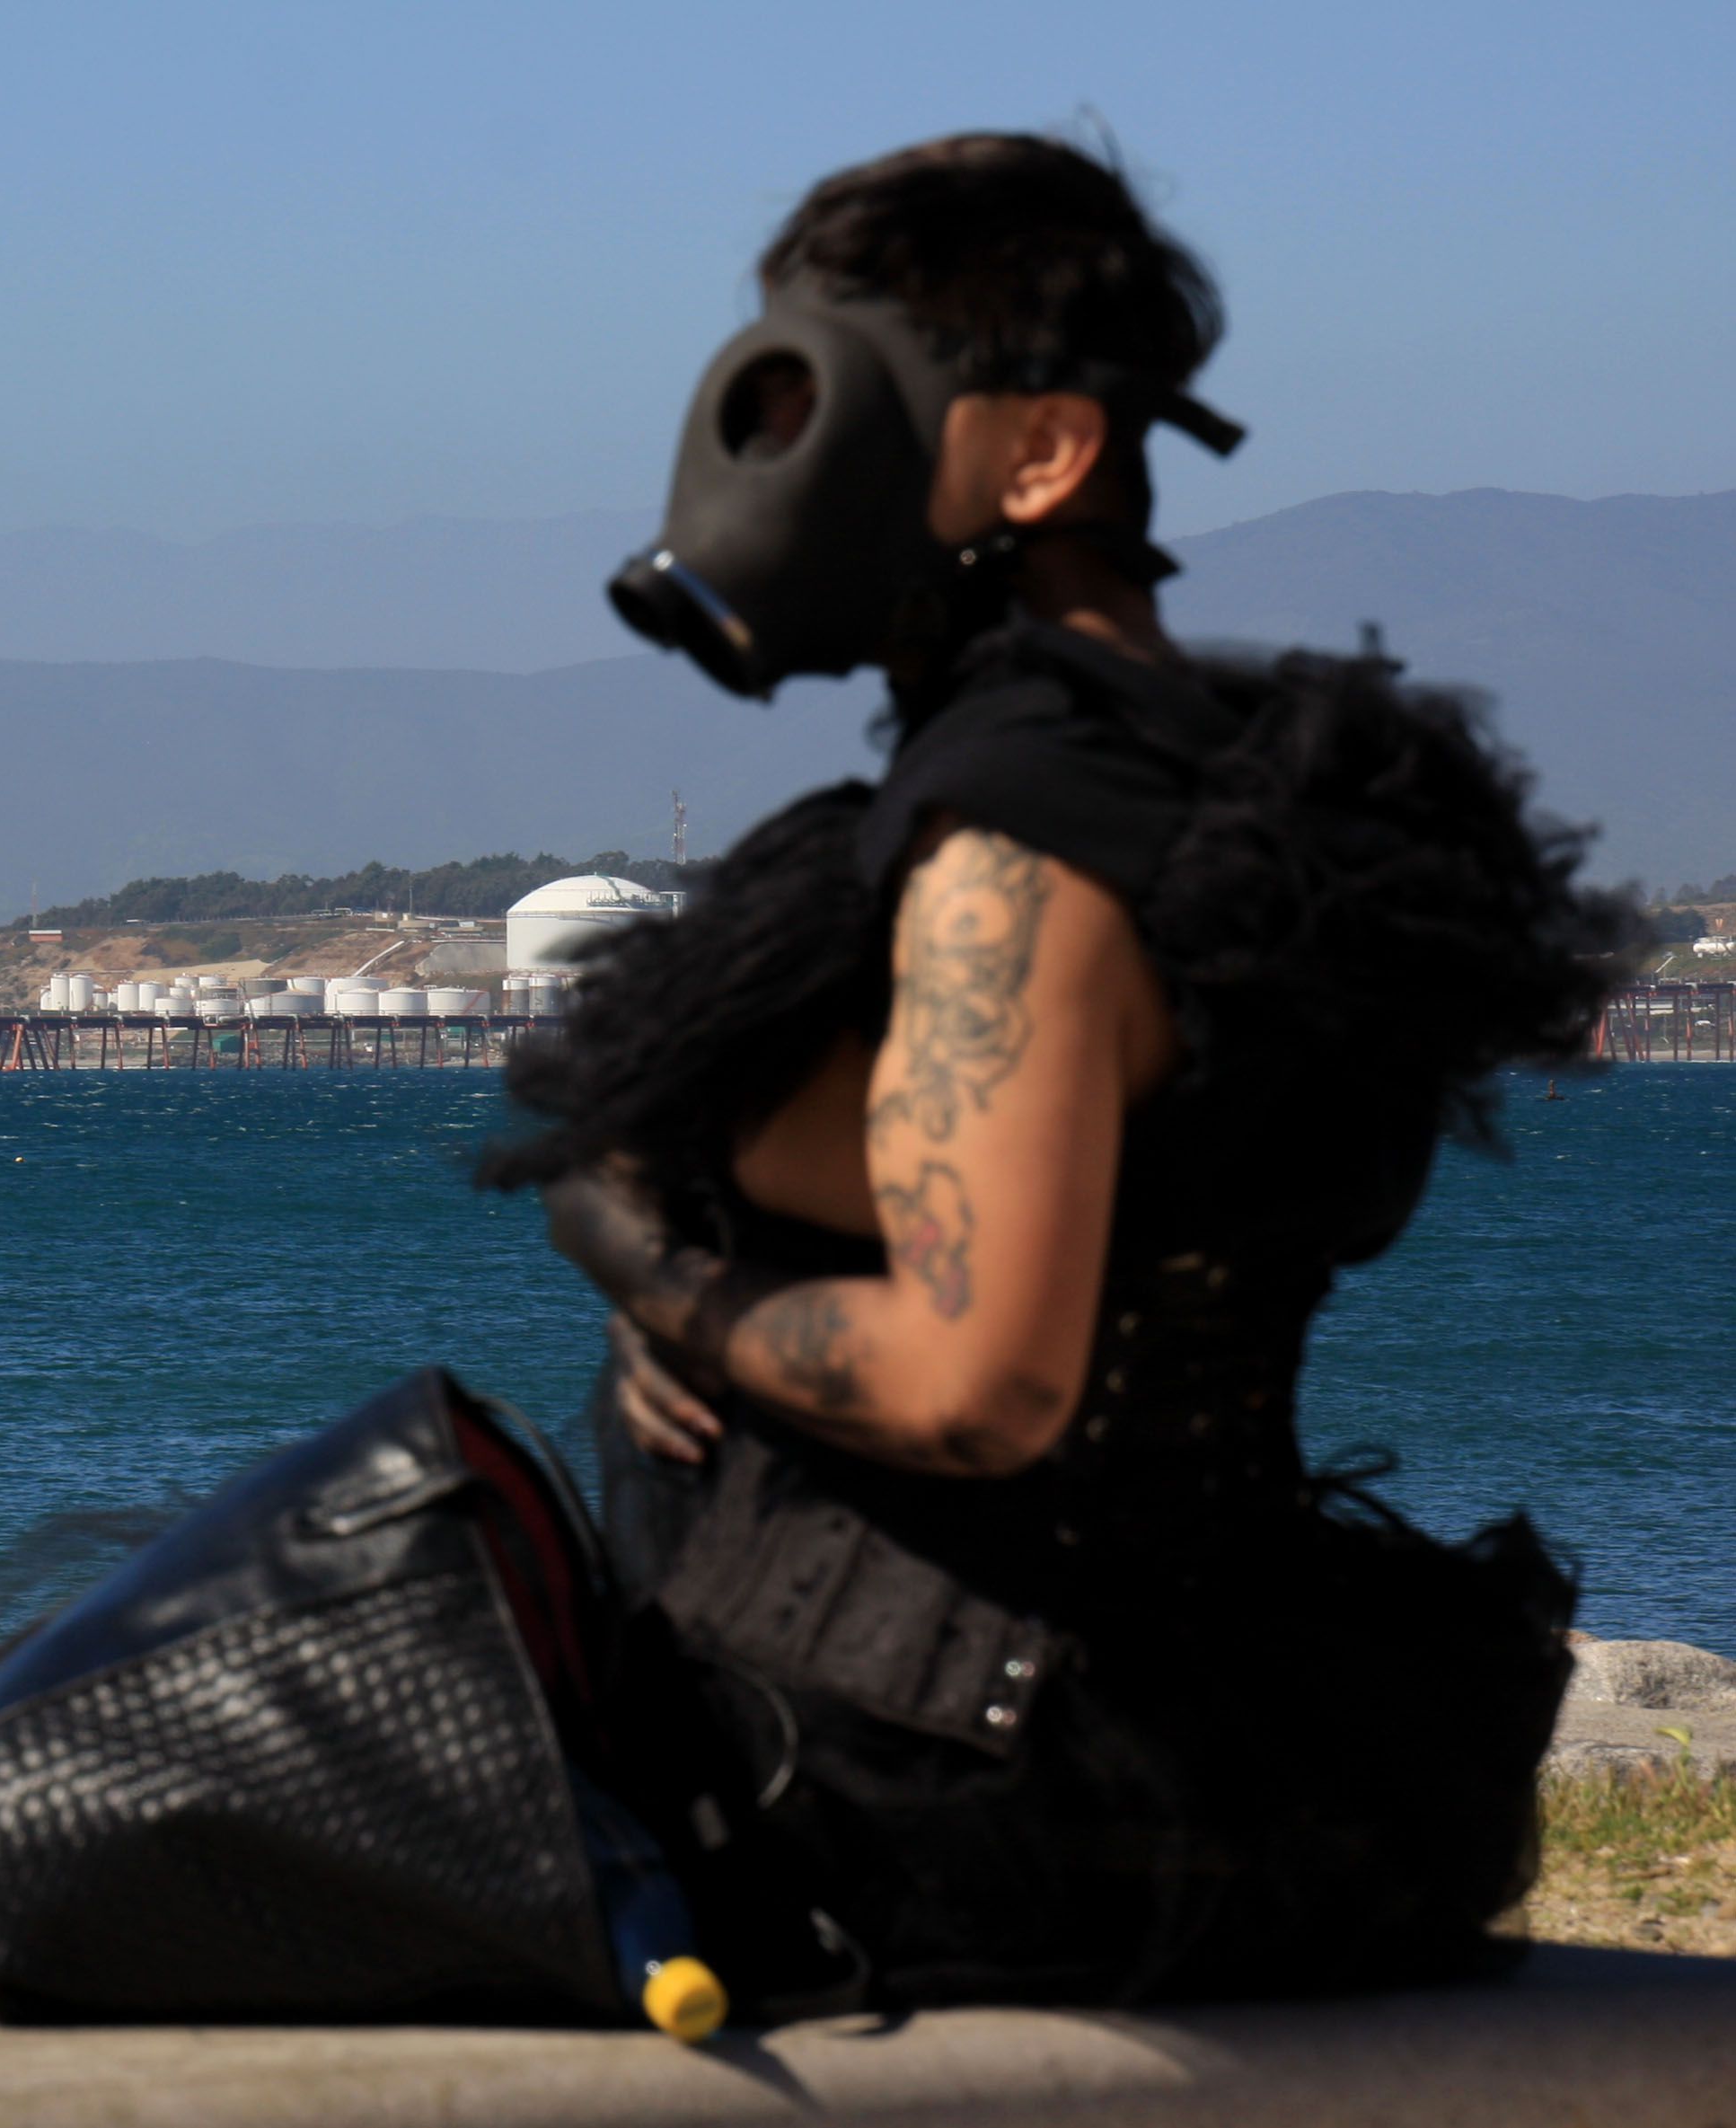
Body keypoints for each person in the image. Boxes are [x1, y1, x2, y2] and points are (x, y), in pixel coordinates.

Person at [489, 130, 1628, 2007]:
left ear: (1044, 452)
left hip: (940, 1792)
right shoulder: (1222, 800)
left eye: (832, 392)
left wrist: (654, 1271)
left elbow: (977, 1382)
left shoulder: (1018, 842)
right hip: (1229, 1753)